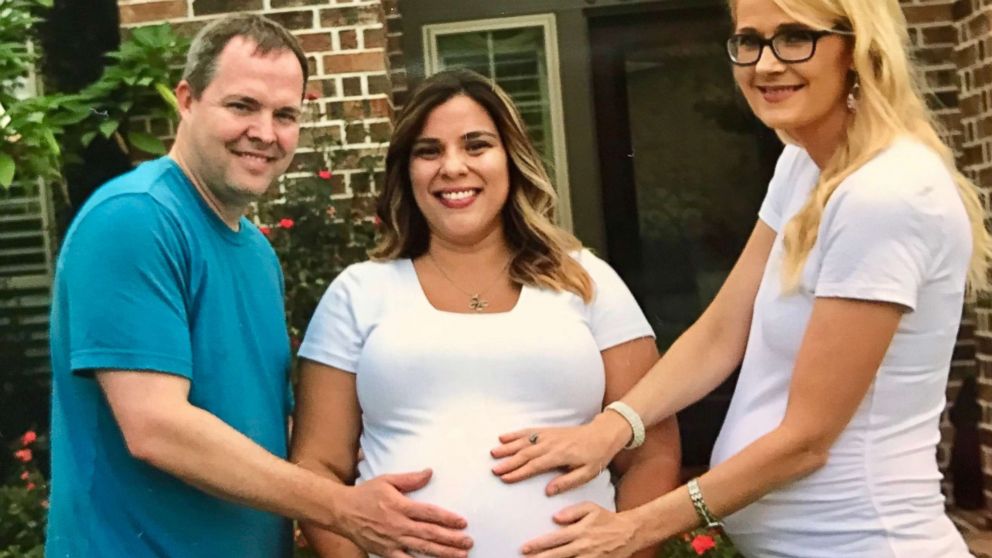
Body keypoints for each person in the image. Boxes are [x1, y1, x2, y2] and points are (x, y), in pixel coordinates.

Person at [490, 0, 991, 557]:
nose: (766, 64)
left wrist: (636, 526)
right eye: (749, 41)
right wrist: (610, 428)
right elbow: (724, 328)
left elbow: (806, 441)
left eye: (796, 37)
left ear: (857, 49)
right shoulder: (805, 164)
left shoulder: (884, 193)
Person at [45, 14, 472, 558]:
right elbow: (155, 426)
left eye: (285, 114)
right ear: (187, 99)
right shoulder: (136, 218)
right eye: (242, 106)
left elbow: (268, 425)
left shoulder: (255, 252)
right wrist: (342, 508)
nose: (265, 133)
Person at [290, 68, 682, 557]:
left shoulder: (588, 281)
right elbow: (317, 467)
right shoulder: (357, 293)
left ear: (511, 159)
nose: (453, 167)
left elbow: (653, 451)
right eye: (428, 151)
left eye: (476, 146)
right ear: (406, 171)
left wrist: (627, 549)